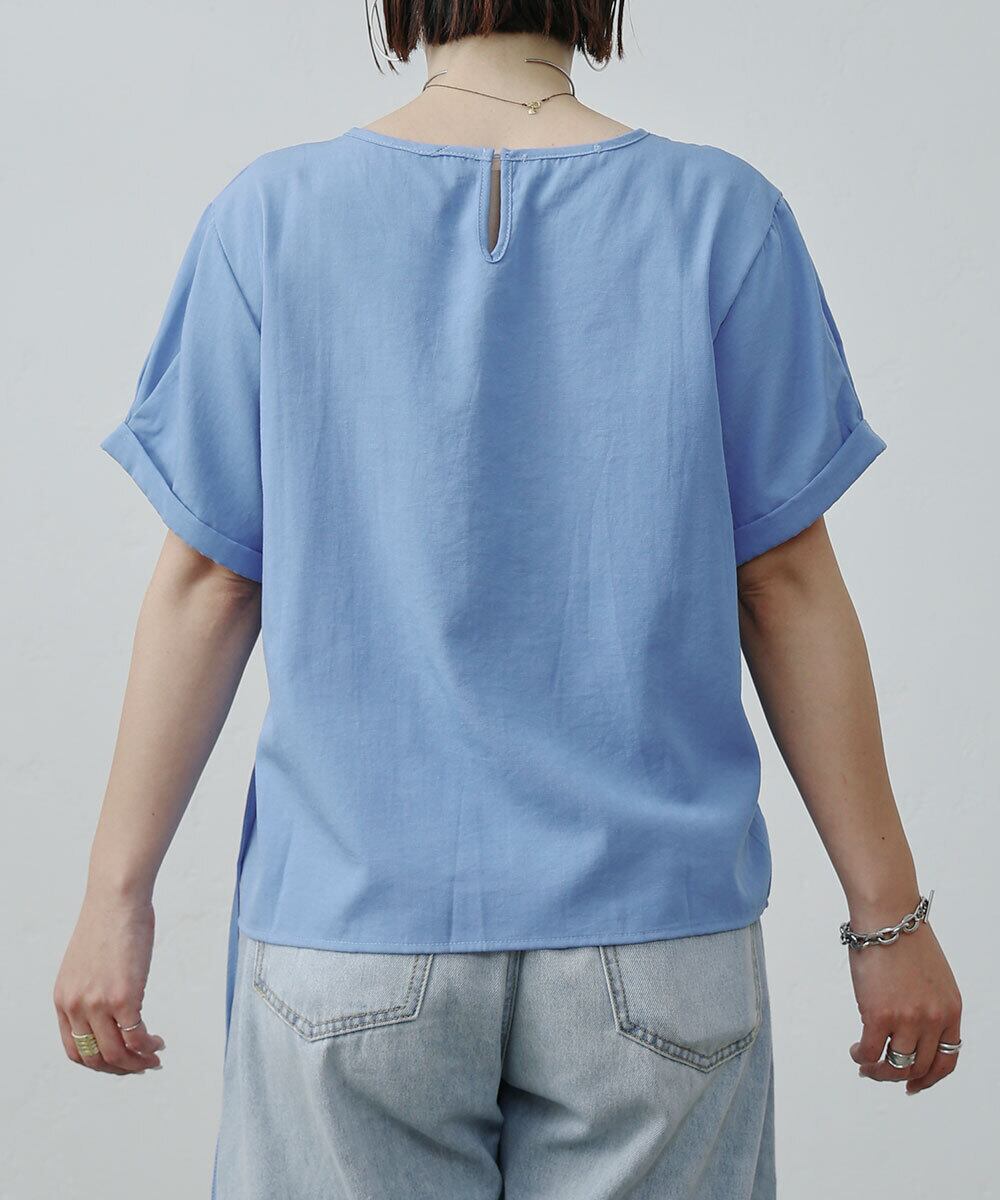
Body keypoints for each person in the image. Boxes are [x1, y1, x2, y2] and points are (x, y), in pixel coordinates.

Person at [54, 3, 963, 1197]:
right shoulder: (721, 215)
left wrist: (114, 900)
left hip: (350, 927)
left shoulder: (271, 217)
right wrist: (887, 921)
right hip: (655, 938)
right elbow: (784, 584)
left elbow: (211, 581)